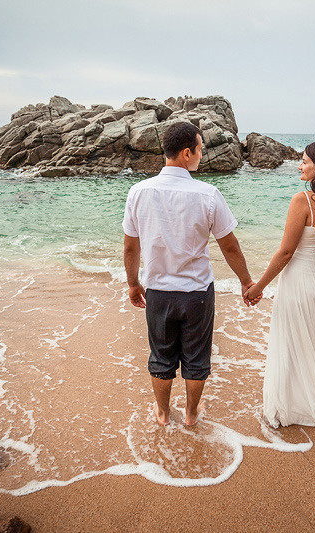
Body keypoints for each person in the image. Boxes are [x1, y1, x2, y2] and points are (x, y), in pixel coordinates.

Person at [122, 121, 257, 427]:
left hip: (158, 291)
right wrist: (246, 282)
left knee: (161, 357)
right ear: (186, 153)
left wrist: (133, 284)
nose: (201, 153)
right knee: (197, 360)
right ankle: (191, 414)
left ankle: (162, 413)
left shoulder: (138, 192)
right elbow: (230, 247)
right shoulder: (207, 194)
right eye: (199, 148)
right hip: (196, 293)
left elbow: (131, 248)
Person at [245, 140, 315, 428]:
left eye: (305, 161)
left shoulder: (303, 200)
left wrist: (258, 287)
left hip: (299, 282)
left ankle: (298, 402)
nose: (300, 165)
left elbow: (285, 253)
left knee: (295, 341)